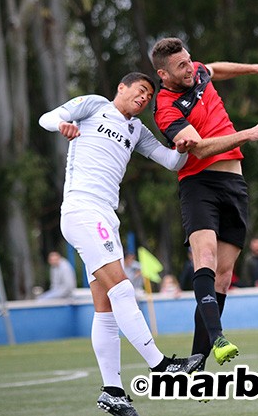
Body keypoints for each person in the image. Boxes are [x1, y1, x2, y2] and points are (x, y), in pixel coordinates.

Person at [39, 72, 203, 416]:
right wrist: (62, 126)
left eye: (148, 96)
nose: (143, 99)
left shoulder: (137, 130)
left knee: (106, 307)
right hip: (83, 211)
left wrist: (185, 145)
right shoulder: (94, 105)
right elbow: (47, 118)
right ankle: (160, 366)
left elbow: (171, 161)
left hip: (105, 218)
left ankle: (112, 391)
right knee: (123, 289)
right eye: (140, 91)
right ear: (121, 87)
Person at [151, 37, 258, 368]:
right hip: (199, 185)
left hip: (234, 185)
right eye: (181, 66)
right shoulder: (166, 108)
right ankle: (218, 337)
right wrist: (246, 134)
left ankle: (197, 358)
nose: (190, 69)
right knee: (206, 259)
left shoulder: (195, 72)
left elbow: (214, 69)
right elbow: (200, 148)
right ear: (163, 74)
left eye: (189, 61)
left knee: (223, 276)